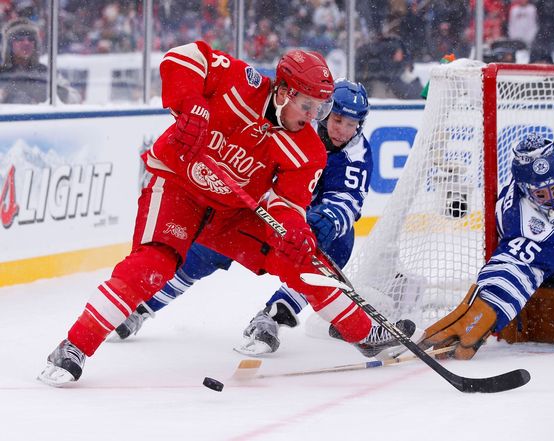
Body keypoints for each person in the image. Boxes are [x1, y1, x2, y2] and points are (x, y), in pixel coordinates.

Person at [38, 42, 415, 387]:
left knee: (303, 259)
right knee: (155, 262)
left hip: (235, 211)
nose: (314, 116)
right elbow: (181, 58)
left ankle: (364, 333)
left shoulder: (308, 148)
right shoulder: (241, 81)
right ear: (283, 91)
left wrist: (295, 228)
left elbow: (287, 201)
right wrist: (193, 106)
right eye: (308, 106)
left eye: (321, 108)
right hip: (178, 185)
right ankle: (75, 345)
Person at [112, 79, 374, 356]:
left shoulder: (356, 154)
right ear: (325, 111)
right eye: (338, 119)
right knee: (203, 252)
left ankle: (271, 318)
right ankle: (142, 308)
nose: (343, 130)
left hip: (303, 223)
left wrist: (329, 219)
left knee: (338, 244)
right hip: (259, 209)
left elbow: (349, 198)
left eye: (352, 124)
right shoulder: (294, 122)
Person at [420, 133, 554, 359]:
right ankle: (540, 313)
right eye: (540, 194)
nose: (551, 199)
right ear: (525, 189)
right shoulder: (521, 222)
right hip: (553, 267)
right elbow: (509, 268)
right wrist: (485, 310)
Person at [0, 18, 80, 104]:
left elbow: (75, 98)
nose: (26, 43)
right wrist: (6, 93)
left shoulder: (46, 72)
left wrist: (50, 92)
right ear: (9, 45)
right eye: (20, 39)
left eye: (31, 39)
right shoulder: (2, 73)